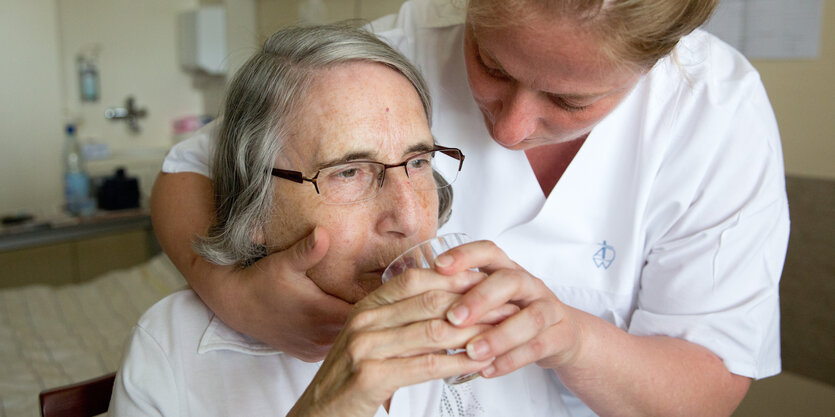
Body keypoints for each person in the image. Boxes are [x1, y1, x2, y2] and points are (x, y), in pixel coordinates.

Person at [152, 1, 790, 416]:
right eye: (490, 64)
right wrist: (237, 295)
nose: (510, 130)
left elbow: (706, 386)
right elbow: (191, 171)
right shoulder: (391, 55)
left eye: (569, 102)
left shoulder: (714, 115)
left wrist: (569, 337)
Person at [111, 24, 570, 416]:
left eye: (418, 162)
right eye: (348, 172)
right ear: (254, 207)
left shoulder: (487, 324)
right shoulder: (170, 352)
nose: (409, 218)